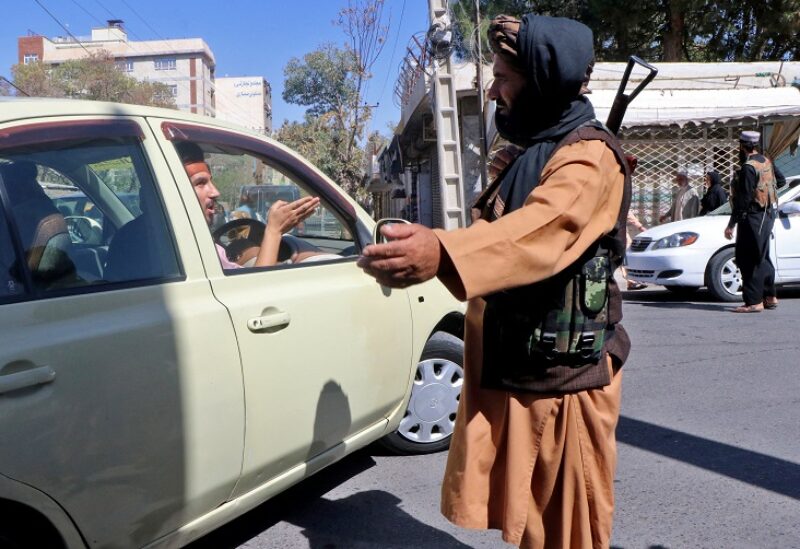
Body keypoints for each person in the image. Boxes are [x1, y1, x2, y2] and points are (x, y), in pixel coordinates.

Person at [359, 14, 629, 548]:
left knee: (568, 530)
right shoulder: (533, 151)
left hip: (564, 385)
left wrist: (442, 252)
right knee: (531, 524)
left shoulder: (589, 157)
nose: (492, 88)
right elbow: (497, 232)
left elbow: (541, 233)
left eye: (504, 76)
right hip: (521, 372)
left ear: (542, 83)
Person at [175, 142, 318, 269]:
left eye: (210, 182)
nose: (215, 192)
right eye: (200, 183)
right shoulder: (187, 251)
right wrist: (274, 231)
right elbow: (257, 291)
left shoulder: (195, 242)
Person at [724, 131, 779, 312]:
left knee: (748, 258)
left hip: (754, 217)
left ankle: (754, 302)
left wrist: (731, 224)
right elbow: (782, 180)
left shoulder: (748, 167)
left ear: (741, 146)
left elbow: (744, 199)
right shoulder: (766, 161)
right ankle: (770, 296)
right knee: (762, 256)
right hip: (768, 214)